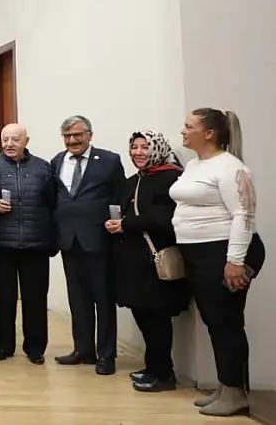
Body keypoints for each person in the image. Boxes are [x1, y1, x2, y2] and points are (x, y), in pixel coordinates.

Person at [171, 108, 266, 416]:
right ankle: (226, 385)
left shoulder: (231, 167)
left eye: (189, 126)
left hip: (224, 253)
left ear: (209, 133)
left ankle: (236, 392)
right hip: (200, 254)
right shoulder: (197, 164)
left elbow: (244, 214)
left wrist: (235, 261)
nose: (183, 131)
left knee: (227, 323)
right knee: (215, 322)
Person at [107, 130, 189, 392]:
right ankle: (153, 367)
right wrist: (114, 222)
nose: (138, 153)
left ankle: (165, 375)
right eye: (134, 147)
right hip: (134, 261)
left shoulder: (172, 177)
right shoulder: (135, 180)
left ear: (156, 148)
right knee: (142, 314)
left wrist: (126, 224)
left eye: (144, 147)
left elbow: (165, 217)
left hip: (156, 261)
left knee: (158, 318)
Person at [51, 115, 126, 375]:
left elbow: (119, 197)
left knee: (103, 299)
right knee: (78, 298)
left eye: (77, 135)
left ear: (89, 135)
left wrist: (116, 227)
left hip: (99, 240)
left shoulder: (109, 160)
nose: (72, 140)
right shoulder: (57, 161)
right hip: (69, 241)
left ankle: (106, 355)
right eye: (67, 136)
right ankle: (83, 349)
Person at [0, 123, 55, 364]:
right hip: (2, 244)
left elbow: (52, 204)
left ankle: (35, 348)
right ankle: (3, 346)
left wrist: (51, 240)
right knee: (2, 299)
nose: (9, 144)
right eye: (5, 139)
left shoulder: (43, 168)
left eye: (15, 139)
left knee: (35, 298)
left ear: (26, 140)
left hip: (36, 244)